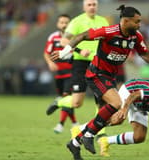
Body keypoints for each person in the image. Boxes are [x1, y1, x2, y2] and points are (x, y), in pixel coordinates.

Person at [51, 5, 149, 160]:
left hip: (109, 77)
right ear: (126, 21)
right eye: (137, 21)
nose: (139, 24)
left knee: (112, 119)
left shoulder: (135, 36)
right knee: (116, 103)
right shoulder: (109, 32)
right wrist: (64, 52)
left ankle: (74, 142)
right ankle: (88, 135)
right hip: (96, 74)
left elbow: (144, 52)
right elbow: (81, 36)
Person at [46, 0, 110, 153]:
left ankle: (101, 137)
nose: (92, 7)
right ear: (84, 7)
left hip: (99, 64)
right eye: (89, 4)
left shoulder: (103, 21)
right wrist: (80, 50)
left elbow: (108, 40)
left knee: (101, 103)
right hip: (80, 63)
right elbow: (64, 40)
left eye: (94, 4)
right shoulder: (77, 21)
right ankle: (60, 101)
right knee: (76, 103)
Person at [44, 14, 78, 133]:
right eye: (62, 22)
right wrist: (50, 63)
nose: (64, 25)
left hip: (72, 71)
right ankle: (74, 123)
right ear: (58, 24)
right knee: (67, 100)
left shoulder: (75, 37)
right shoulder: (53, 37)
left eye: (66, 22)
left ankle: (60, 125)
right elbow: (46, 52)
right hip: (59, 73)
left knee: (66, 96)